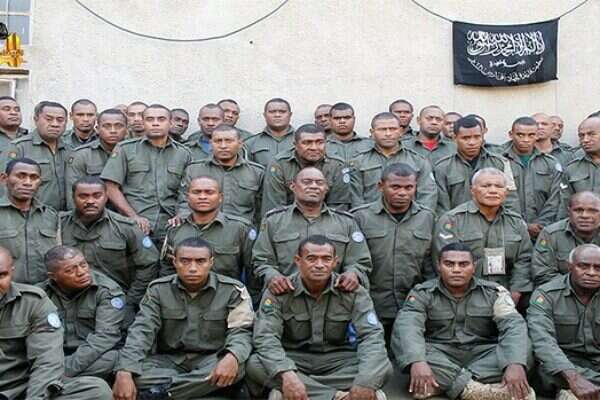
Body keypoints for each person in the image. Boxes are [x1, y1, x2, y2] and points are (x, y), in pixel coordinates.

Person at [247, 235, 392, 400]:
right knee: (255, 365)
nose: (319, 265)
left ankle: (297, 390)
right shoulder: (279, 291)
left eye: (326, 259)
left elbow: (371, 336)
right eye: (311, 259)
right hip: (293, 358)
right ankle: (338, 396)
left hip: (338, 360)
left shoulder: (353, 292)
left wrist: (365, 382)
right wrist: (287, 374)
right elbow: (266, 337)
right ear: (298, 261)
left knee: (383, 368)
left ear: (335, 262)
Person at [112, 238, 254, 400]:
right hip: (169, 361)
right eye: (185, 261)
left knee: (238, 367)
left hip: (212, 358)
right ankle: (200, 388)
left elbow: (241, 331)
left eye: (200, 261)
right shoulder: (158, 290)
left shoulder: (232, 290)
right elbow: (142, 331)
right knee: (132, 374)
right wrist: (125, 371)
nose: (192, 268)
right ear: (174, 262)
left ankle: (163, 394)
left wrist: (232, 356)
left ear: (211, 262)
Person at [392, 242, 535, 400]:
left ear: (474, 267)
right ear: (439, 266)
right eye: (449, 264)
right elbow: (408, 327)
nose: (456, 270)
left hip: (482, 356)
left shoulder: (493, 293)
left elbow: (513, 327)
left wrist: (514, 363)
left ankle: (442, 385)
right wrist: (417, 361)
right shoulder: (422, 293)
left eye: (463, 264)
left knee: (522, 351)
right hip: (440, 354)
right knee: (409, 351)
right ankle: (475, 390)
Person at [0, 246, 113, 399]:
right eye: (70, 270)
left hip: (24, 386)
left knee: (97, 390)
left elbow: (46, 361)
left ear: (12, 271)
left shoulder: (33, 302)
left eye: (2, 275)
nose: (81, 272)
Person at [252, 167, 372, 295]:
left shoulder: (346, 222)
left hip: (335, 298)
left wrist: (353, 273)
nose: (314, 186)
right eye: (307, 182)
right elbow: (261, 259)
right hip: (286, 296)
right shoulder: (274, 221)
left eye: (319, 183)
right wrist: (272, 276)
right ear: (293, 186)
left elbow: (360, 260)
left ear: (326, 188)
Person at [351, 163, 435, 343]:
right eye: (395, 187)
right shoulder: (360, 218)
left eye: (408, 187)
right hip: (371, 304)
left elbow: (431, 265)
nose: (402, 193)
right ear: (381, 186)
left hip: (413, 306)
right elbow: (352, 262)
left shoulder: (428, 218)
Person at [60, 176, 159, 326]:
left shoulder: (126, 227)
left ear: (106, 197)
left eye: (97, 196)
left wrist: (131, 300)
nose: (90, 201)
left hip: (114, 302)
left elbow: (149, 264)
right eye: (83, 196)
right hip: (68, 302)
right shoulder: (58, 225)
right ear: (73, 198)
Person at [433, 168, 533, 307]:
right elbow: (445, 263)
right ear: (472, 190)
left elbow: (524, 260)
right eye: (486, 186)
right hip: (463, 295)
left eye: (499, 186)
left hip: (507, 293)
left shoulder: (516, 222)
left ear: (506, 192)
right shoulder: (452, 220)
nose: (493, 191)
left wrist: (515, 293)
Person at [101, 104, 192, 246]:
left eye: (161, 119)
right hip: (133, 224)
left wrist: (182, 215)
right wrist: (133, 217)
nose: (155, 123)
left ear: (170, 123)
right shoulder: (125, 149)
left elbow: (188, 191)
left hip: (171, 225)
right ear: (143, 123)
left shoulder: (184, 153)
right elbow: (110, 187)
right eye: (150, 119)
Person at [527, 244, 600, 400]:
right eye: (583, 266)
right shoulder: (547, 295)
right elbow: (543, 341)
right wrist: (574, 378)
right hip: (562, 365)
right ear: (570, 267)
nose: (591, 273)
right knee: (545, 370)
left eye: (598, 268)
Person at [40, 246, 124, 379]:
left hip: (94, 354)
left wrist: (66, 369)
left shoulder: (106, 291)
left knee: (112, 359)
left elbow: (105, 337)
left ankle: (54, 380)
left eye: (83, 265)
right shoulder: (39, 295)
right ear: (53, 276)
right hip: (56, 355)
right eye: (70, 270)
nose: (81, 272)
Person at [163, 176, 254, 283]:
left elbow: (251, 270)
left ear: (220, 197)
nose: (202, 197)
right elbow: (167, 269)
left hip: (226, 292)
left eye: (209, 192)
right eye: (196, 192)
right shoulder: (175, 228)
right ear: (187, 197)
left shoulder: (239, 229)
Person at [349, 112, 437, 209]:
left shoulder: (418, 161)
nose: (388, 134)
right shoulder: (359, 162)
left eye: (393, 129)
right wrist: (363, 216)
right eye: (382, 129)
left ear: (400, 131)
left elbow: (427, 195)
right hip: (369, 216)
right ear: (372, 132)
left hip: (411, 216)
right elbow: (355, 198)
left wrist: (420, 216)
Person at [179, 124, 264, 224]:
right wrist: (183, 218)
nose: (223, 146)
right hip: (202, 228)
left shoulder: (256, 172)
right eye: (218, 141)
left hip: (242, 229)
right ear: (211, 143)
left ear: (240, 143)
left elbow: (262, 209)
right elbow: (184, 202)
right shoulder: (194, 170)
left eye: (229, 141)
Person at [434, 116, 519, 215]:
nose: (472, 142)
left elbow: (511, 200)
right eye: (465, 138)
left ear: (482, 136)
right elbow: (442, 207)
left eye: (477, 137)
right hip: (458, 222)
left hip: (494, 222)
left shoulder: (500, 163)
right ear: (455, 138)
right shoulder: (443, 167)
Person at [262, 123, 350, 215]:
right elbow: (274, 209)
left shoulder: (337, 165)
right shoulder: (279, 164)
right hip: (288, 219)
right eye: (307, 143)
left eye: (320, 142)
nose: (314, 148)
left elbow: (338, 210)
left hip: (326, 219)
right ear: (295, 145)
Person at [501, 116, 562, 239]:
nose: (526, 140)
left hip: (542, 231)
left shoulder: (550, 163)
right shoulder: (499, 160)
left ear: (537, 135)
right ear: (511, 135)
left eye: (531, 135)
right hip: (507, 230)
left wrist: (541, 225)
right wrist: (523, 226)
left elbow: (555, 199)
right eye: (520, 135)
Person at [0, 158, 59, 284]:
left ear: (40, 182)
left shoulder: (50, 216)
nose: (28, 182)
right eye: (21, 176)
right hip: (6, 290)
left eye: (34, 178)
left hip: (44, 291)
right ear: (4, 179)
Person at [2, 100, 69, 210]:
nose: (55, 124)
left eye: (60, 120)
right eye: (49, 119)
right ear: (36, 119)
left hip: (64, 216)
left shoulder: (70, 149)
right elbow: (4, 186)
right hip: (33, 215)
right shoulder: (19, 147)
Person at [532, 191, 600, 287]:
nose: (585, 215)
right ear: (569, 212)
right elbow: (543, 273)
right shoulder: (550, 234)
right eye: (578, 210)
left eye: (592, 211)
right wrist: (575, 286)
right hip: (560, 292)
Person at [65, 108, 128, 209]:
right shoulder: (82, 155)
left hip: (131, 213)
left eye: (118, 126)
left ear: (126, 129)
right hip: (94, 213)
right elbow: (73, 194)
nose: (113, 131)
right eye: (107, 126)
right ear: (97, 129)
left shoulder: (135, 153)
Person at [559, 116, 600, 218]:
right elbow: (564, 205)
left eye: (591, 134)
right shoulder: (572, 169)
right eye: (581, 136)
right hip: (583, 225)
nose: (585, 140)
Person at [245, 98, 295, 167]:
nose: (277, 115)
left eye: (282, 112)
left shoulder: (303, 141)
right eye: (272, 112)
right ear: (265, 115)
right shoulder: (250, 143)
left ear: (290, 115)